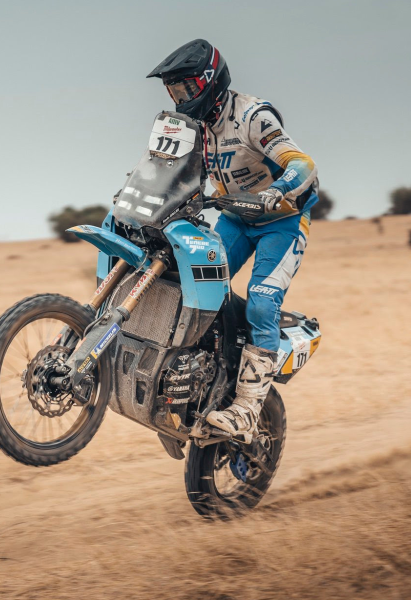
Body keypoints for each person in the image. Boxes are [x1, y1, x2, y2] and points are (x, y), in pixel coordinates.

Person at [147, 39, 319, 443]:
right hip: (236, 218)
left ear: (209, 81)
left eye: (186, 88)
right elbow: (174, 172)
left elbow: (304, 164)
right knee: (192, 282)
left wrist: (277, 190)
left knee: (261, 301)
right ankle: (191, 384)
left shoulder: (252, 117)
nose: (180, 99)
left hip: (283, 221)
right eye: (174, 91)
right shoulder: (197, 128)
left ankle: (247, 410)